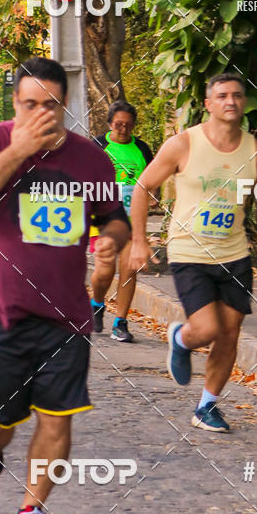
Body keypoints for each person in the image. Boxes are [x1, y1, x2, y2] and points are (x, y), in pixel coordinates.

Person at [0, 57, 130, 514]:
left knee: (57, 418)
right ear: (15, 103)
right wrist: (18, 150)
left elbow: (114, 216)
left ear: (65, 104)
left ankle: (32, 509)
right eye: (29, 104)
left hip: (65, 315)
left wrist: (113, 239)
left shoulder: (90, 160)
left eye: (48, 105)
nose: (38, 113)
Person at [129, 73, 257, 433]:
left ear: (244, 103)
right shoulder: (183, 145)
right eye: (222, 96)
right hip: (190, 251)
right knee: (207, 328)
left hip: (234, 254)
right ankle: (181, 338)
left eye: (237, 96)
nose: (231, 101)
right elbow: (142, 187)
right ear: (209, 104)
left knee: (229, 333)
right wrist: (139, 241)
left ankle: (206, 406)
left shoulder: (256, 151)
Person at [90, 100, 153, 342]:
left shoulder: (142, 150)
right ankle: (96, 302)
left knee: (128, 269)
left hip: (132, 220)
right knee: (105, 271)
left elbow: (151, 180)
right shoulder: (97, 146)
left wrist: (152, 195)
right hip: (102, 219)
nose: (123, 129)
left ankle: (121, 322)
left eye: (128, 125)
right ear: (109, 124)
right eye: (118, 124)